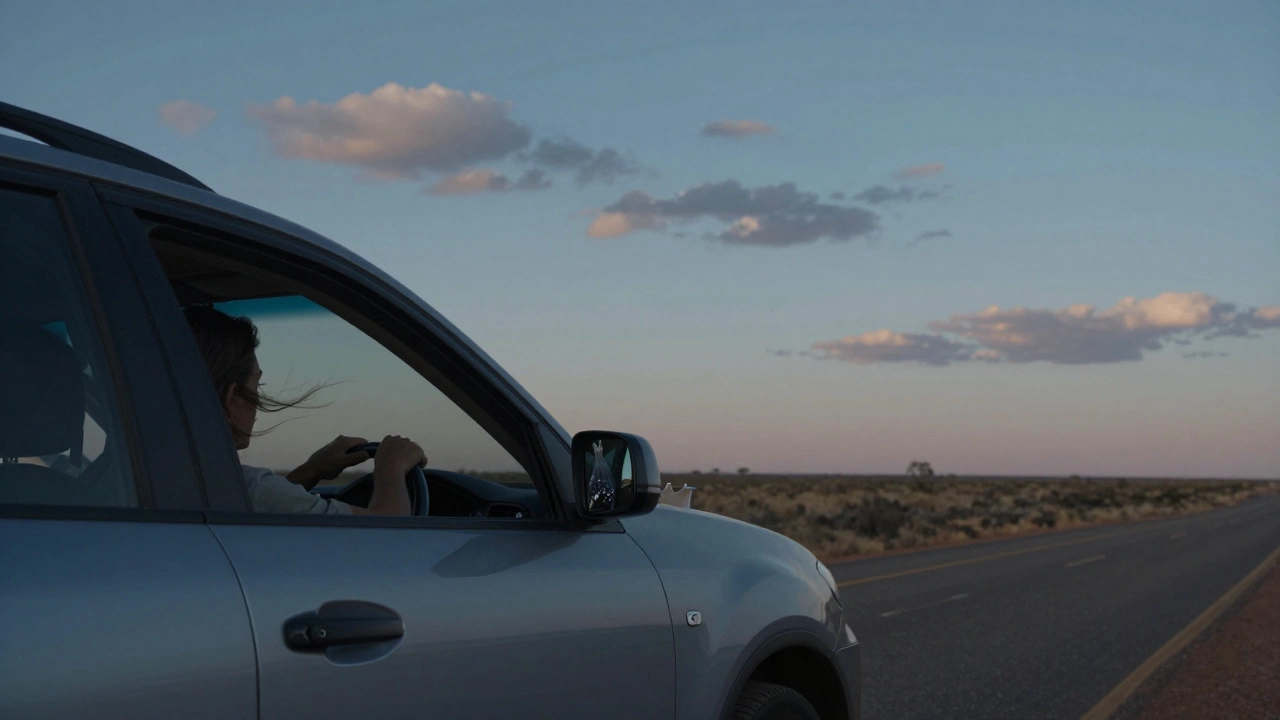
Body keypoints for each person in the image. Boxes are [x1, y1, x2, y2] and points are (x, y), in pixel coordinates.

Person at [183, 305, 423, 515]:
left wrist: (312, 470)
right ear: (232, 399)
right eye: (257, 385)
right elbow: (386, 530)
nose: (257, 400)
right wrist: (391, 469)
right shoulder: (243, 485)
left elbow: (268, 505)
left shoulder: (184, 482)